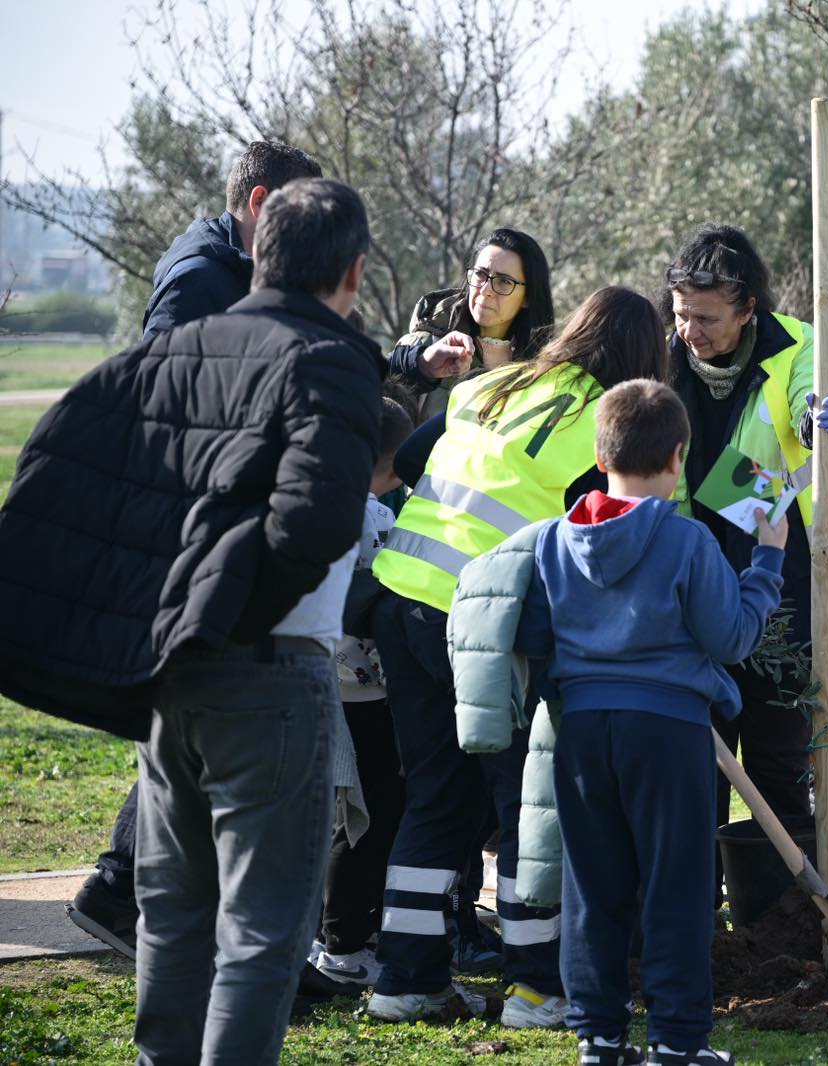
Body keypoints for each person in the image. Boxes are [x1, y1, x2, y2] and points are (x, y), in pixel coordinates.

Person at [0, 177, 383, 1064]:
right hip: (267, 670)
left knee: (174, 918)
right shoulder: (331, 356)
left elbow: (69, 457)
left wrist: (173, 615)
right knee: (262, 931)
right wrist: (230, 613)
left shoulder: (179, 347)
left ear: (258, 253)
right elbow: (317, 522)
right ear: (355, 270)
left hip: (169, 676)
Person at [70, 143, 456, 961]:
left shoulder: (236, 273)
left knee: (187, 758)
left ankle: (123, 892)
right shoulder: (198, 276)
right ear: (256, 204)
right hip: (223, 576)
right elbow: (172, 393)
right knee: (233, 834)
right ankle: (128, 893)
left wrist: (398, 362)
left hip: (213, 573)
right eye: (288, 212)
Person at [368, 285, 668, 1025]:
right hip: (485, 624)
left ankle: (404, 980)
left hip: (399, 595)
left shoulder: (495, 381)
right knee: (524, 804)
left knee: (436, 794)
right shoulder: (606, 421)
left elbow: (408, 458)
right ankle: (536, 988)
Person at [498, 379, 786, 1066]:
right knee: (677, 886)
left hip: (584, 732)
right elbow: (733, 639)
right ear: (679, 458)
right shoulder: (688, 542)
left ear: (601, 457)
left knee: (593, 886)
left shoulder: (552, 541)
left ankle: (598, 1037)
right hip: (668, 731)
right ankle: (678, 1042)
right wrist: (768, 561)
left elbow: (535, 632)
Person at [665, 223, 828, 826]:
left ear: (748, 308)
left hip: (778, 578)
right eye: (681, 314)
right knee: (698, 762)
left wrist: (827, 417)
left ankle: (784, 908)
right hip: (684, 582)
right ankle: (705, 908)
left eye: (706, 319)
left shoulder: (797, 344)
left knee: (778, 757)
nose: (690, 332)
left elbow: (820, 399)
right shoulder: (655, 352)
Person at [306, 396, 418, 987]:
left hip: (317, 683)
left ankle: (331, 935)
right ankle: (347, 944)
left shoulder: (315, 505)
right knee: (366, 815)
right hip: (363, 693)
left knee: (335, 814)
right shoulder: (373, 518)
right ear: (394, 462)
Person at [141, 140, 323, 338]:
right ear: (260, 201)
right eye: (305, 212)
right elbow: (156, 367)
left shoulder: (274, 277)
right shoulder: (194, 282)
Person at [387, 227, 557, 416]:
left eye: (504, 281)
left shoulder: (541, 374)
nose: (486, 290)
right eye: (480, 274)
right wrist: (422, 365)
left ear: (528, 297)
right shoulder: (424, 347)